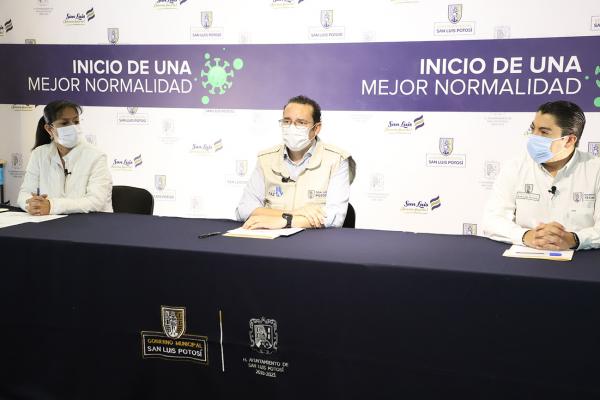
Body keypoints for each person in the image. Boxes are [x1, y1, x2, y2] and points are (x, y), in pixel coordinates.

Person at [483, 100, 600, 250]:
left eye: (544, 132)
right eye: (533, 129)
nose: (534, 137)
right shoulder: (515, 166)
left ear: (569, 140)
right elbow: (492, 219)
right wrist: (526, 236)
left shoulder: (595, 169)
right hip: (525, 256)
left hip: (581, 259)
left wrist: (575, 239)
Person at [236, 95, 355, 229]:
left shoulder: (337, 159)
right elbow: (244, 210)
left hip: (315, 240)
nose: (292, 127)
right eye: (287, 121)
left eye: (301, 123)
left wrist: (285, 222)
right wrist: (293, 214)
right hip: (270, 238)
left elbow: (334, 217)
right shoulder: (266, 159)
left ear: (316, 128)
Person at [17, 100, 113, 215]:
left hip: (92, 222)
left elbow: (95, 201)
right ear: (49, 129)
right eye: (64, 123)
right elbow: (24, 194)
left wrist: (52, 206)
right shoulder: (39, 154)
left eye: (76, 121)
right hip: (51, 222)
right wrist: (32, 204)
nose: (73, 127)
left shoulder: (96, 156)